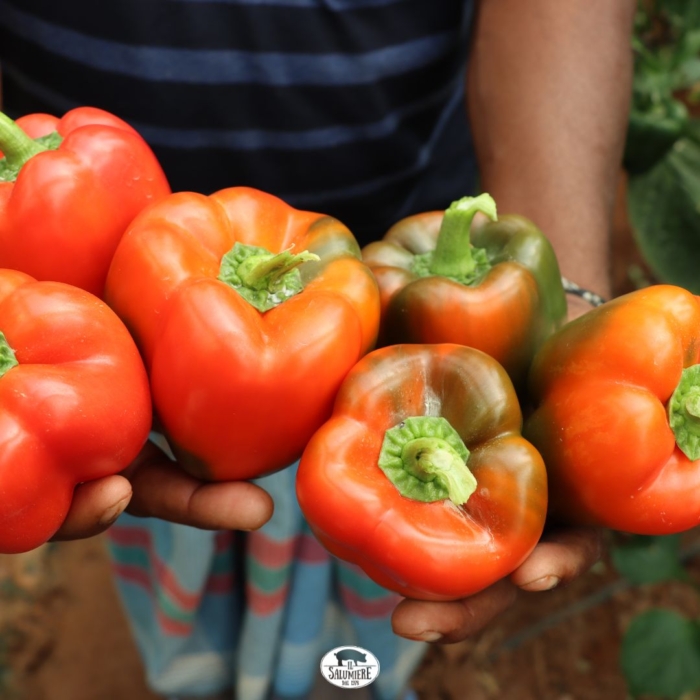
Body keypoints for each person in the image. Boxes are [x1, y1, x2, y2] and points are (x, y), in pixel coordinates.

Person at [0, 0, 636, 698]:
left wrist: (562, 337)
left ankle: (341, 682)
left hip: (410, 346)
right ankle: (201, 679)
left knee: (354, 607)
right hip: (113, 371)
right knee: (167, 550)